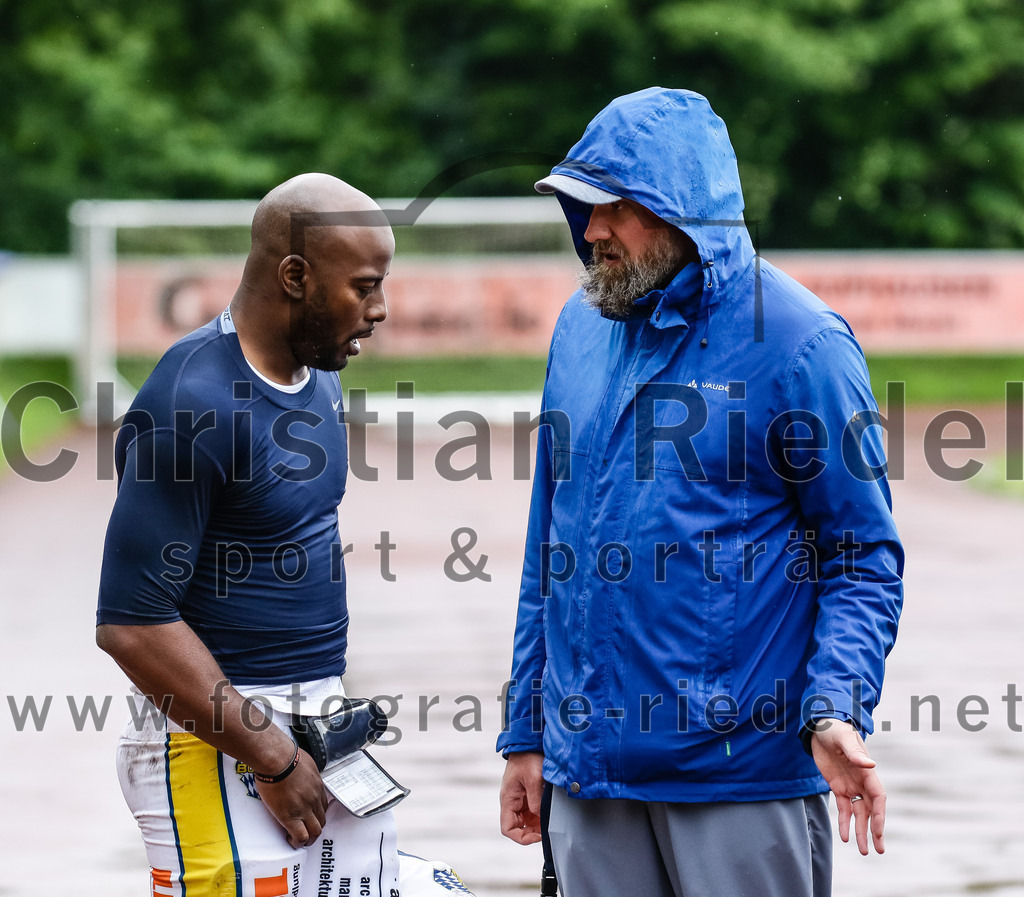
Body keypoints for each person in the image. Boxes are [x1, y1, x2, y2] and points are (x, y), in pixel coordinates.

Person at [497, 88, 904, 896]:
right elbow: (551, 545)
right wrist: (526, 732)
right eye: (583, 206)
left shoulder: (802, 344)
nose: (593, 229)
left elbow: (862, 555)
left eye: (615, 207)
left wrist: (836, 705)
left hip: (739, 782)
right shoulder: (580, 328)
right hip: (588, 782)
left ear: (686, 210)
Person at [96, 173, 473, 896]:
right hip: (216, 740)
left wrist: (309, 735)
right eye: (364, 287)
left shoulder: (318, 379)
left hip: (311, 725)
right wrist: (270, 754)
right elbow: (132, 625)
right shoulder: (192, 402)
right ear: (295, 276)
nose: (380, 309)